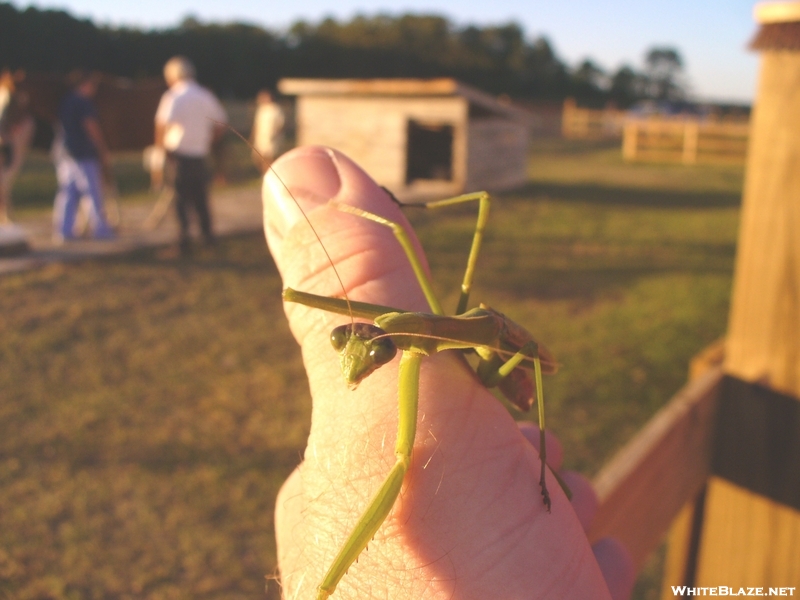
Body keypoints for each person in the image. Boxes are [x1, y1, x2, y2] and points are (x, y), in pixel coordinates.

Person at [263, 146, 636, 600]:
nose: (361, 362)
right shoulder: (391, 328)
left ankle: (325, 590)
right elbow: (296, 294)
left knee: (405, 462)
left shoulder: (425, 343)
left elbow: (533, 355)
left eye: (376, 353)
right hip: (460, 338)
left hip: (501, 368)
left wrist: (346, 210)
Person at [155, 56, 227, 255]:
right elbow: (220, 124)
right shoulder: (205, 95)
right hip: (200, 155)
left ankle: (183, 241)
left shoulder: (173, 96)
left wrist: (160, 155)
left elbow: (162, 126)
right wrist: (207, 142)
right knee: (201, 199)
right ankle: (208, 238)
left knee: (180, 201)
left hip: (178, 156)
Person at [52, 70, 115, 241]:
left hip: (66, 152)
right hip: (83, 152)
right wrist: (102, 148)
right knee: (92, 191)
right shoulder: (84, 103)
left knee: (68, 192)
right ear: (86, 84)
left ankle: (64, 230)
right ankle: (100, 228)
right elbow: (91, 127)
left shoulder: (66, 101)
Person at [251, 90, 284, 173]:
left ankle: (269, 173)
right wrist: (252, 136)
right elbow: (257, 124)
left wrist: (275, 136)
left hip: (272, 138)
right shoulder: (261, 109)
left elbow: (281, 124)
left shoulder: (276, 109)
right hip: (261, 137)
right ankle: (264, 172)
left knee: (269, 157)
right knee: (258, 157)